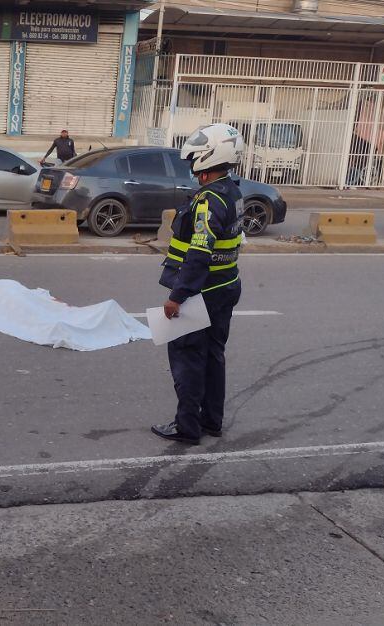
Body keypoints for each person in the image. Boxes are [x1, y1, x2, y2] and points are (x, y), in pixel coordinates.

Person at [152, 123, 245, 446]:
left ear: (208, 158)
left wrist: (178, 297)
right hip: (226, 285)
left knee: (188, 358)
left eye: (195, 161)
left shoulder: (207, 201)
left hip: (200, 292)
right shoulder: (233, 192)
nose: (192, 167)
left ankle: (187, 427)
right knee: (213, 356)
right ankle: (211, 421)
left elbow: (199, 253)